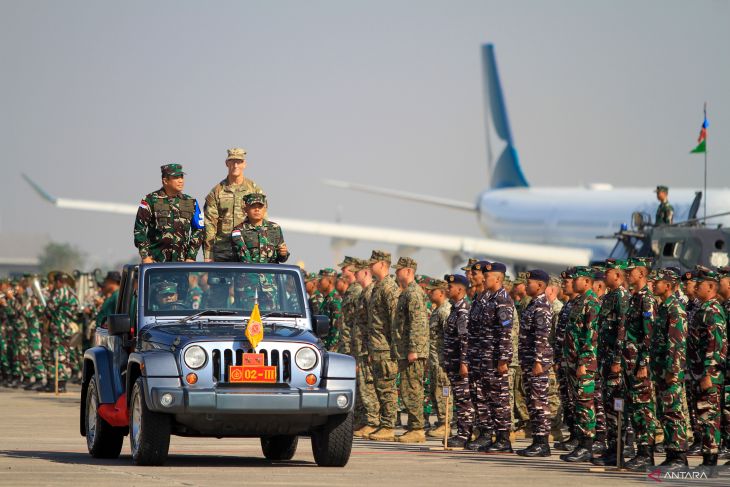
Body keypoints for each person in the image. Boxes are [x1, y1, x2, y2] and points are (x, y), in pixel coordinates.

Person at [688, 266, 727, 476]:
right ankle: (706, 458)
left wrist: (708, 373)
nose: (695, 287)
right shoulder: (702, 309)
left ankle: (710, 462)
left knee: (709, 417)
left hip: (708, 376)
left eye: (699, 284)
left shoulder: (712, 310)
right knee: (702, 416)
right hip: (698, 373)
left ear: (711, 286)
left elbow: (717, 345)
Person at [592, 259, 632, 466]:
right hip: (605, 360)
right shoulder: (610, 296)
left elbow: (622, 331)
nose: (604, 276)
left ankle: (619, 451)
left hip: (614, 362)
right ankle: (612, 448)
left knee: (616, 406)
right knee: (608, 405)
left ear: (617, 275)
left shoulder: (622, 297)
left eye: (608, 273)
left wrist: (617, 360)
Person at [560, 267, 601, 462]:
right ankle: (581, 442)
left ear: (586, 282)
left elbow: (590, 336)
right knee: (578, 403)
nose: (573, 282)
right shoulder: (579, 302)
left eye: (576, 279)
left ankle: (587, 445)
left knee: (585, 403)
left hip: (584, 363)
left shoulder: (591, 303)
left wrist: (584, 361)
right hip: (573, 361)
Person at [652, 268, 690, 470]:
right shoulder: (664, 307)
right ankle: (670, 453)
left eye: (656, 282)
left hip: (670, 371)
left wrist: (673, 370)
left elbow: (676, 343)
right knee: (665, 412)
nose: (653, 285)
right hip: (661, 371)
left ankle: (679, 457)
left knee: (674, 411)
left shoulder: (675, 308)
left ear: (668, 285)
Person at [622, 257, 658, 471]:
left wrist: (644, 362)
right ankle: (640, 452)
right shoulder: (635, 297)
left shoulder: (647, 300)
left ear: (642, 273)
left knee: (644, 409)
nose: (628, 273)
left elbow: (649, 335)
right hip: (630, 363)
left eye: (631, 270)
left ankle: (646, 453)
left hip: (639, 364)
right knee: (636, 408)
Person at [390, 257, 429, 443]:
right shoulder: (407, 292)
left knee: (412, 389)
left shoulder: (413, 293)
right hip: (405, 349)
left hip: (413, 351)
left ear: (408, 271)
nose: (396, 273)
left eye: (399, 270)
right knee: (407, 389)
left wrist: (414, 349)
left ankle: (417, 429)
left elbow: (418, 323)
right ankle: (414, 426)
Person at [516, 269, 553, 457]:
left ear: (540, 285)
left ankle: (542, 443)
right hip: (529, 360)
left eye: (529, 282)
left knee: (539, 402)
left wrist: (538, 360)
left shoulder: (541, 306)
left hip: (537, 361)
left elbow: (542, 336)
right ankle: (537, 440)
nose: (526, 285)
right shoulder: (532, 305)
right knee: (532, 401)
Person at [133, 164, 204, 263]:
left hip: (181, 265)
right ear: (165, 181)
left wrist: (191, 256)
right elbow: (139, 228)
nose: (181, 180)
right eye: (176, 177)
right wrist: (145, 256)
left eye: (181, 177)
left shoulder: (190, 201)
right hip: (155, 264)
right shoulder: (150, 200)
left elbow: (199, 229)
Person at [479, 262, 516, 453]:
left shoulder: (503, 300)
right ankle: (495, 436)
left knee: (500, 399)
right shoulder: (490, 299)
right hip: (487, 357)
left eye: (487, 277)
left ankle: (504, 439)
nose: (484, 279)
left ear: (498, 279)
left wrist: (503, 359)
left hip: (495, 359)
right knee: (490, 399)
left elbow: (505, 332)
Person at [203, 147, 264, 262]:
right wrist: (208, 255)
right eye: (232, 161)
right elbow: (209, 225)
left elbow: (262, 221)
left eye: (239, 162)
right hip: (223, 252)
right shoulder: (216, 191)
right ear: (227, 163)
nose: (235, 165)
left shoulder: (254, 190)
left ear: (244, 164)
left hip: (249, 252)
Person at [366, 250, 401, 442]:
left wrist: (394, 350)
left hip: (386, 348)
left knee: (387, 387)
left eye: (373, 263)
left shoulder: (389, 288)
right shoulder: (378, 287)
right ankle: (383, 423)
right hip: (377, 347)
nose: (370, 267)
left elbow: (395, 321)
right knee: (380, 387)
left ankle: (388, 425)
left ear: (382, 264)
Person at [464, 261, 494, 450]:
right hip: (476, 355)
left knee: (487, 396)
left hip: (486, 356)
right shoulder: (478, 298)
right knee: (477, 395)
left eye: (474, 273)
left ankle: (488, 433)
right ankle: (482, 431)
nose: (471, 276)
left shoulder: (490, 298)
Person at [443, 274, 473, 448]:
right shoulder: (455, 309)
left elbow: (465, 339)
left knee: (464, 400)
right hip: (453, 362)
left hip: (459, 363)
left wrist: (464, 363)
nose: (448, 289)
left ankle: (464, 435)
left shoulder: (463, 311)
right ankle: (462, 432)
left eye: (450, 286)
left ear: (460, 289)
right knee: (459, 399)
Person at [351, 258, 381, 438]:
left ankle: (373, 421)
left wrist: (370, 348)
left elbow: (373, 324)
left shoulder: (370, 293)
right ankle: (366, 421)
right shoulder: (364, 293)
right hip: (360, 347)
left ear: (365, 273)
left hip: (367, 347)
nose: (354, 275)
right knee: (362, 387)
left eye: (357, 272)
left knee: (368, 386)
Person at [425, 278, 452, 438]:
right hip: (435, 360)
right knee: (436, 391)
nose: (429, 293)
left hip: (443, 361)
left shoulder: (445, 311)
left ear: (441, 293)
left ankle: (446, 423)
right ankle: (442, 421)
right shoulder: (437, 310)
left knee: (444, 391)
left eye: (432, 290)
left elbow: (450, 337)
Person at [230, 193, 288, 264]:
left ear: (265, 209)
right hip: (249, 273)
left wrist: (283, 253)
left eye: (260, 207)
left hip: (271, 274)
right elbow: (243, 259)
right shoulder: (238, 231)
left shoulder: (275, 228)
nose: (257, 209)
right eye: (253, 206)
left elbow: (282, 259)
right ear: (246, 209)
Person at [337, 257, 361, 356]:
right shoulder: (350, 290)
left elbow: (360, 320)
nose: (342, 270)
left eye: (344, 267)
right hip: (345, 343)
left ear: (353, 268)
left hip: (353, 344)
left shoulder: (358, 290)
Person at [316, 269, 342, 351]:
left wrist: (332, 348)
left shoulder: (335, 300)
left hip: (332, 348)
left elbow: (337, 328)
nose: (318, 283)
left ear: (330, 281)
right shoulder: (327, 299)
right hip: (325, 345)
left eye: (321, 280)